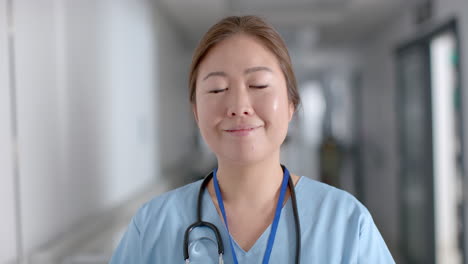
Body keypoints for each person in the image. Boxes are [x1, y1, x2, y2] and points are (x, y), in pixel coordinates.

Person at [109, 15, 395, 263]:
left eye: (258, 84)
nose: (238, 105)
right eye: (217, 89)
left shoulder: (346, 223)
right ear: (196, 112)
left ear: (291, 105)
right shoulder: (153, 226)